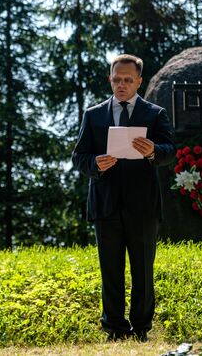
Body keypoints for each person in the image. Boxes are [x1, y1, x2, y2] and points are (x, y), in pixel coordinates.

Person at [72, 54, 175, 341]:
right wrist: (95, 164)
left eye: (128, 80)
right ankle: (115, 330)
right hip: (105, 206)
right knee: (111, 272)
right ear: (110, 78)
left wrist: (153, 150)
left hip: (143, 206)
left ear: (139, 81)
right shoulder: (93, 115)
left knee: (143, 271)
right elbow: (79, 156)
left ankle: (141, 329)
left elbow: (170, 151)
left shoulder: (155, 114)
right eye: (117, 79)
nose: (121, 85)